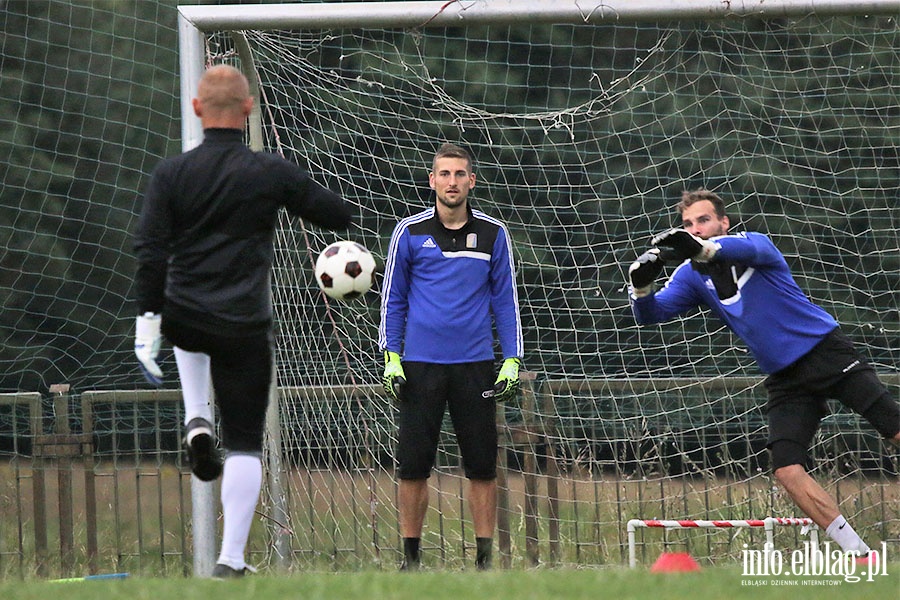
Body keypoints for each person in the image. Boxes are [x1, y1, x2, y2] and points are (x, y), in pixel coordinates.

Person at [133, 64, 352, 578]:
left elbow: (149, 252)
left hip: (184, 317)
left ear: (196, 109)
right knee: (247, 441)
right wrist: (294, 192)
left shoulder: (170, 174)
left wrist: (148, 325)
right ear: (248, 108)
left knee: (186, 326)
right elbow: (337, 214)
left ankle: (195, 419)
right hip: (243, 325)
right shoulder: (268, 172)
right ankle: (231, 559)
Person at [627, 188, 899, 563]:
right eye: (688, 224)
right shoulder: (689, 276)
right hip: (784, 378)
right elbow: (650, 315)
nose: (696, 228)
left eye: (703, 221)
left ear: (724, 222)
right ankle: (861, 556)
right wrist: (639, 285)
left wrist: (699, 247)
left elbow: (729, 251)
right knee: (788, 469)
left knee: (895, 427)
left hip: (826, 353)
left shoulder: (755, 244)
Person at [378, 143, 524, 570]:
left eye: (460, 174)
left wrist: (511, 358)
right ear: (432, 181)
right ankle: (410, 560)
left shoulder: (494, 234)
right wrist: (391, 355)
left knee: (481, 465)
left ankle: (483, 562)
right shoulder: (409, 232)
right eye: (445, 174)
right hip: (420, 366)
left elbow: (506, 301)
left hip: (475, 366)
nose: (452, 181)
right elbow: (394, 300)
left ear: (471, 181)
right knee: (413, 466)